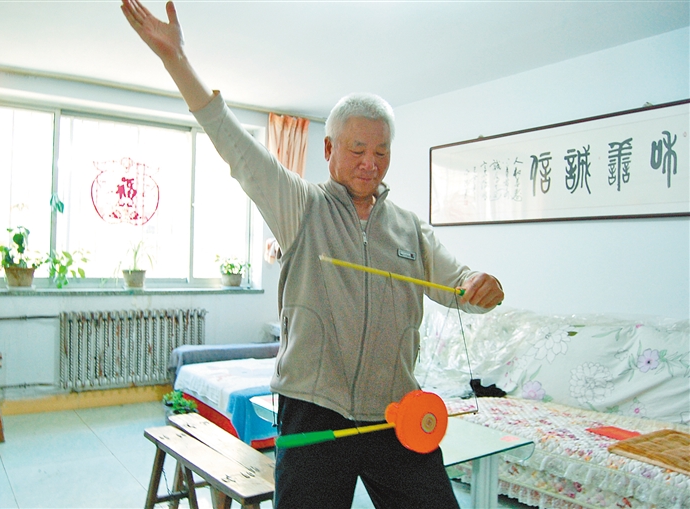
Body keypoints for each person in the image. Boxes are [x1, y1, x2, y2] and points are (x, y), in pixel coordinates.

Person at [121, 2, 505, 507]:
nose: (370, 163)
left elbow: (460, 287)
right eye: (357, 149)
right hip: (313, 409)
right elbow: (233, 144)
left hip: (397, 411)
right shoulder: (300, 206)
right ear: (328, 150)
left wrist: (481, 287)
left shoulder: (411, 228)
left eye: (382, 151)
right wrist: (176, 59)